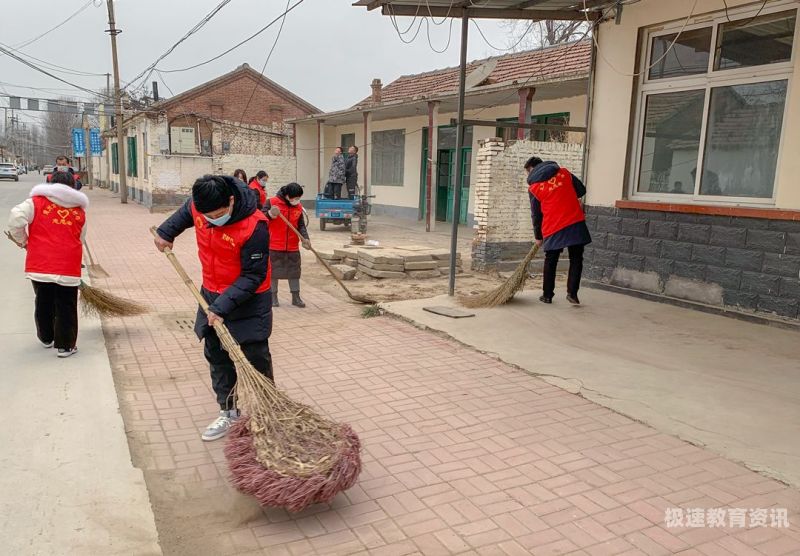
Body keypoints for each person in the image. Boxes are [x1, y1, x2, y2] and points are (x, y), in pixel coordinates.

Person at [154, 175, 273, 441]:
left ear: (230, 201)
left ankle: (269, 412)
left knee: (255, 357)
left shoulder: (256, 226)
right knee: (217, 355)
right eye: (205, 216)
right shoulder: (200, 206)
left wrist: (220, 307)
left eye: (217, 215)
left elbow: (253, 277)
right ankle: (228, 412)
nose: (210, 221)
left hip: (249, 300)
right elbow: (185, 212)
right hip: (210, 292)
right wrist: (166, 232)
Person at [7, 171, 88, 358]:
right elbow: (81, 238)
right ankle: (65, 346)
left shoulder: (35, 203)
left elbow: (15, 217)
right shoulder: (79, 211)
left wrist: (23, 240)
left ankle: (46, 337)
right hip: (68, 264)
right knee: (66, 304)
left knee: (43, 300)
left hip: (40, 263)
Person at [525, 156, 591, 305]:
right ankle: (572, 294)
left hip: (553, 225)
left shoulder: (535, 188)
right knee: (576, 258)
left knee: (551, 260)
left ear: (532, 170)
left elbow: (536, 214)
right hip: (574, 220)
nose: (528, 176)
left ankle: (547, 295)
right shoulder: (564, 173)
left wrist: (538, 236)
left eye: (527, 173)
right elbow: (581, 190)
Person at [265, 183, 310, 308]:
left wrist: (305, 239)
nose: (296, 200)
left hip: (292, 246)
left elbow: (301, 225)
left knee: (294, 272)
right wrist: (269, 214)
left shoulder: (298, 207)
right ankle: (273, 297)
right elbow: (260, 219)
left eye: (298, 198)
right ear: (287, 195)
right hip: (274, 245)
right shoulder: (272, 202)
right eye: (294, 198)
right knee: (274, 272)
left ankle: (296, 297)